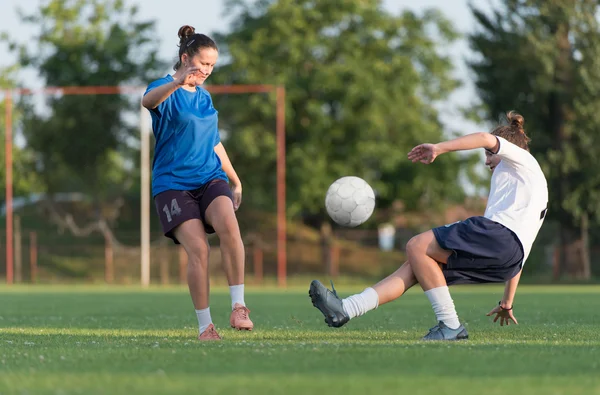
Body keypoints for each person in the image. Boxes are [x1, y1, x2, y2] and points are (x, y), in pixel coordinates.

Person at [309, 112, 548, 341]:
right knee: (417, 264)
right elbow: (519, 252)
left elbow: (485, 138)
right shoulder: (525, 191)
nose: (486, 160)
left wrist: (439, 147)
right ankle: (346, 309)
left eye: (489, 155)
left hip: (499, 239)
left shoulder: (522, 159)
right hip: (508, 260)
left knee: (416, 244)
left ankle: (451, 325)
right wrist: (508, 301)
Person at [142, 25, 253, 341]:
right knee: (200, 250)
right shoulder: (165, 88)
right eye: (202, 63)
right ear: (185, 57)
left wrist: (235, 180)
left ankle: (238, 307)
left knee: (230, 228)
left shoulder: (205, 99)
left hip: (210, 178)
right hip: (173, 185)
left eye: (212, 66)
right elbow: (147, 102)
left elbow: (214, 143)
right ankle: (206, 326)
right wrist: (177, 82)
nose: (207, 70)